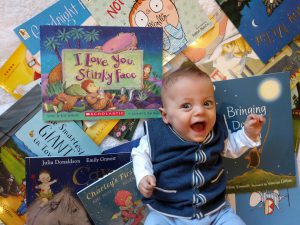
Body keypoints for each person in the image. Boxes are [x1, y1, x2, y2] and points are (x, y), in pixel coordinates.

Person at [131, 65, 265, 225]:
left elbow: (232, 147)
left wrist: (249, 134)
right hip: (169, 212)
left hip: (215, 210)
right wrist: (144, 176)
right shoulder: (156, 136)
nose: (200, 111)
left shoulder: (216, 132)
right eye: (186, 106)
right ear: (165, 116)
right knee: (153, 222)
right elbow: (139, 154)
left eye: (207, 103)